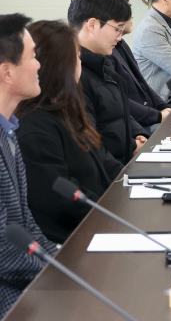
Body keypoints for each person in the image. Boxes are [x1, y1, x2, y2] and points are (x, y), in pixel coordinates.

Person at [16, 20, 123, 244]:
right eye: (77, 58)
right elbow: (63, 200)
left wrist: (130, 184)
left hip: (99, 222)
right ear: (60, 66)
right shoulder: (34, 127)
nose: (80, 65)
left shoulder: (64, 109)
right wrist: (115, 215)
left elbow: (102, 160)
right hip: (76, 240)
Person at [0, 13, 58, 317]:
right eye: (32, 56)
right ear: (7, 73)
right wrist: (58, 278)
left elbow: (26, 224)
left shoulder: (9, 129)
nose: (39, 65)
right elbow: (3, 252)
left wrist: (60, 262)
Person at [67, 0, 150, 165]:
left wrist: (137, 134)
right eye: (117, 29)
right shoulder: (74, 75)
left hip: (122, 166)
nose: (119, 37)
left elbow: (117, 111)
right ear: (92, 25)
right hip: (111, 175)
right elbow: (90, 149)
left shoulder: (103, 63)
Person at [109, 0, 171, 132]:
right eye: (127, 9)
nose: (131, 15)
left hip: (146, 117)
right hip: (138, 123)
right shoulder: (105, 51)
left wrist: (163, 107)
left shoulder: (121, 44)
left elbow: (141, 83)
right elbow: (119, 101)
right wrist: (158, 116)